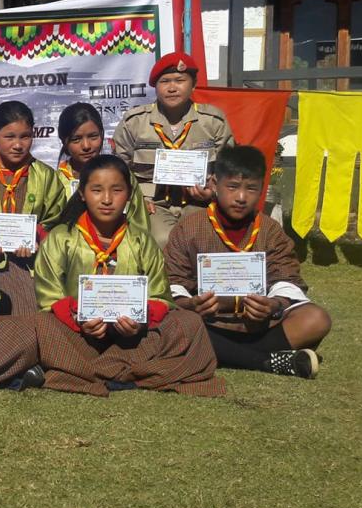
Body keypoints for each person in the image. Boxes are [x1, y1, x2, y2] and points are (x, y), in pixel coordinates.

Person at [33, 154, 224, 397]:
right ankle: (128, 372)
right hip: (77, 334)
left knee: (189, 323)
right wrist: (80, 319)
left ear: (130, 195)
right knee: (39, 325)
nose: (106, 199)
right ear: (82, 193)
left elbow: (161, 297)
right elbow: (48, 298)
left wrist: (139, 321)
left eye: (117, 190)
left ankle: (82, 371)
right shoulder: (61, 238)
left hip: (132, 340)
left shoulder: (141, 240)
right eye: (96, 190)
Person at [164, 145, 331, 379]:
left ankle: (225, 355)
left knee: (316, 319)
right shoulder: (189, 227)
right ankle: (265, 361)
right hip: (205, 324)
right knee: (169, 323)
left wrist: (272, 306)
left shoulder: (270, 230)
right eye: (232, 187)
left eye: (251, 189)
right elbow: (174, 280)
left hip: (259, 326)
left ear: (261, 189)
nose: (241, 197)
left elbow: (287, 278)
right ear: (213, 184)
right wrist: (190, 304)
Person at [112, 52, 235, 249]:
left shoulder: (213, 122)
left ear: (193, 84)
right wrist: (136, 198)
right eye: (164, 81)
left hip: (200, 202)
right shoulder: (135, 122)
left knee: (200, 239)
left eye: (179, 80)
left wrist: (212, 191)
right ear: (155, 87)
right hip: (153, 202)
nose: (171, 88)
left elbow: (229, 168)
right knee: (163, 239)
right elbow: (119, 167)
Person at [0, 101, 64, 315]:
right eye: (9, 137)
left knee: (30, 315)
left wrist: (36, 239)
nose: (18, 145)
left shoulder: (45, 176)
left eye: (25, 136)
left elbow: (57, 223)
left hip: (29, 267)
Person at [56, 102, 149, 231]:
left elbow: (139, 223)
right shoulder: (55, 181)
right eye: (76, 139)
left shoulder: (120, 174)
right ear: (64, 141)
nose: (86, 145)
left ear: (102, 134)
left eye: (93, 136)